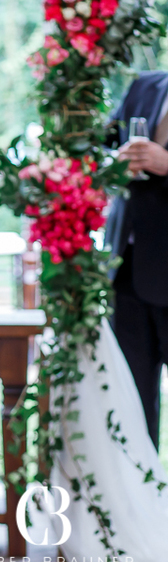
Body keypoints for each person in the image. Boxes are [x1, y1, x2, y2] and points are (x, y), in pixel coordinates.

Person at [104, 69, 168, 448]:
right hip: (128, 270)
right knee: (132, 398)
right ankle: (147, 496)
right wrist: (117, 160)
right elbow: (102, 143)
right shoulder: (146, 85)